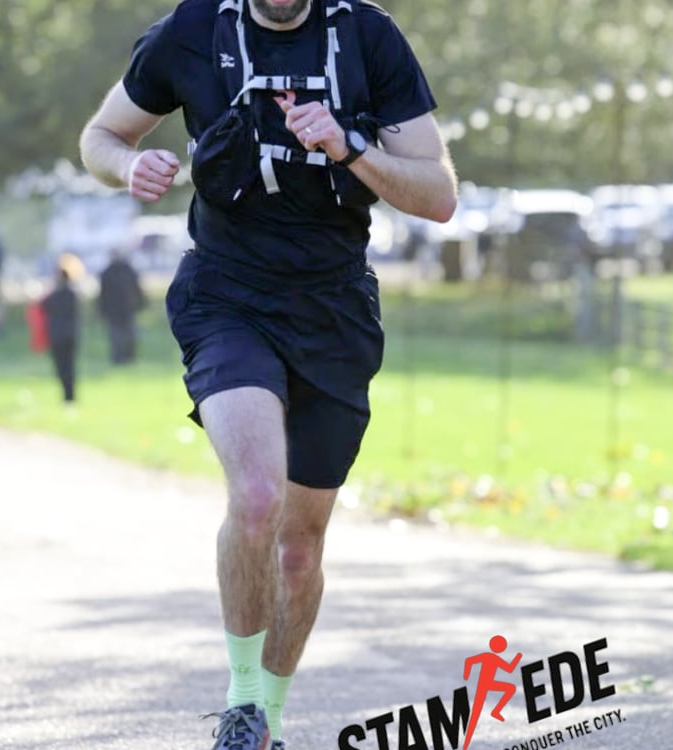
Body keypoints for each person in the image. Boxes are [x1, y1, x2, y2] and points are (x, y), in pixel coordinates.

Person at [79, 0, 457, 747]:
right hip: (227, 298)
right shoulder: (194, 30)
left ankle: (268, 726)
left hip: (334, 311)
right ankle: (243, 704)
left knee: (298, 547)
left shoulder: (367, 37)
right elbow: (100, 137)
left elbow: (439, 196)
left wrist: (350, 145)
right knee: (256, 498)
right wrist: (128, 165)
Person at [97, 249, 146, 364]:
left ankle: (129, 357)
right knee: (116, 337)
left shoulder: (127, 270)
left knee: (130, 336)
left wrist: (140, 303)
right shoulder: (107, 273)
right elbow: (103, 294)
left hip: (127, 309)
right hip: (114, 310)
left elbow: (137, 288)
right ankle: (118, 358)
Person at [41, 266, 79, 403]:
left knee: (62, 367)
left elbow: (43, 306)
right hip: (69, 335)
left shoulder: (55, 296)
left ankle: (68, 396)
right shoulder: (72, 294)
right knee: (69, 367)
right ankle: (70, 396)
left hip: (58, 335)